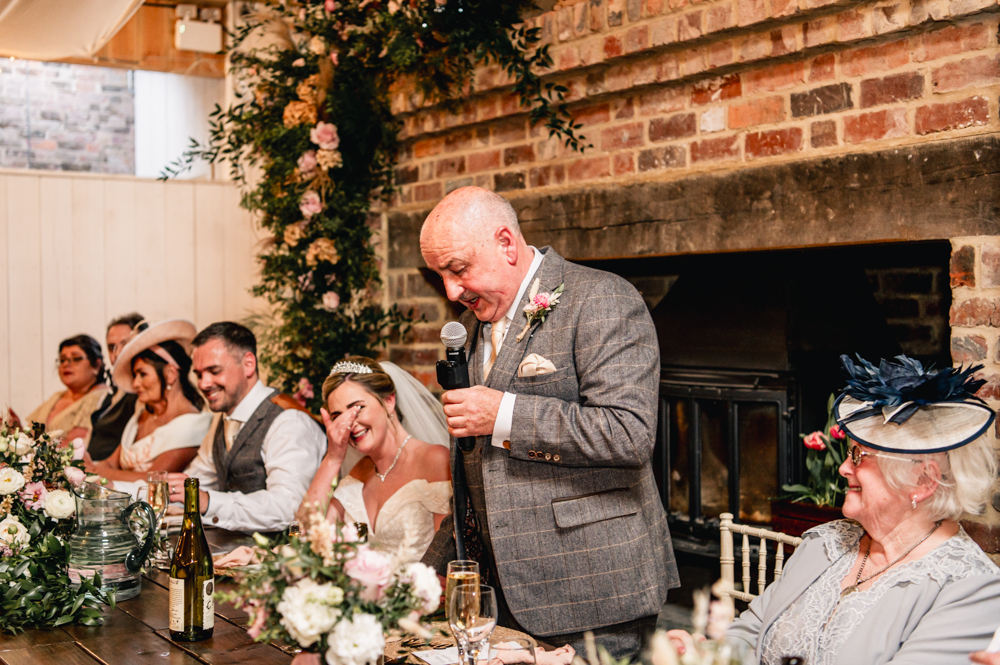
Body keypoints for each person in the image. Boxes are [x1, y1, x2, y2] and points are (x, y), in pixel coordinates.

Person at [419, 186, 677, 660]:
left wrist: (504, 414)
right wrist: (432, 566)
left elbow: (629, 433)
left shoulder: (602, 298)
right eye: (442, 276)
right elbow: (479, 473)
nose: (453, 291)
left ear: (506, 243)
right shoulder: (475, 324)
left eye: (458, 269)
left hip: (591, 592)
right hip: (505, 594)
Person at [670, 354, 1000, 665]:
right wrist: (705, 653)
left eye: (859, 456)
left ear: (923, 480)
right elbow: (753, 630)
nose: (844, 467)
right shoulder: (826, 542)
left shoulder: (971, 589)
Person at [166, 322, 325, 533]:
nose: (203, 384)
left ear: (248, 364)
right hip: (231, 552)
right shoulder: (223, 419)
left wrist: (207, 502)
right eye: (199, 374)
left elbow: (289, 507)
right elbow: (197, 479)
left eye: (214, 371)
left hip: (282, 557)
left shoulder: (288, 421)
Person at [298, 356, 451, 564]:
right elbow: (305, 537)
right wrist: (333, 458)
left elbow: (448, 558)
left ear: (388, 401)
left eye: (357, 407)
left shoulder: (434, 460)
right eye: (338, 416)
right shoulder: (357, 474)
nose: (349, 423)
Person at [87, 319, 211, 482]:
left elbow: (152, 481)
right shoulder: (141, 416)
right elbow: (111, 463)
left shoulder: (193, 426)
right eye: (134, 375)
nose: (135, 383)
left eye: (142, 374)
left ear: (170, 374)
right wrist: (81, 464)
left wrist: (93, 471)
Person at [27, 334, 109, 445]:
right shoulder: (57, 396)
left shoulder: (101, 397)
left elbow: (75, 445)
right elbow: (31, 436)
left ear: (97, 366)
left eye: (76, 359)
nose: (66, 364)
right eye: (62, 359)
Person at [88, 312, 144, 462]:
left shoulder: (145, 394)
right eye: (111, 347)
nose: (117, 353)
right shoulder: (112, 392)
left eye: (125, 344)